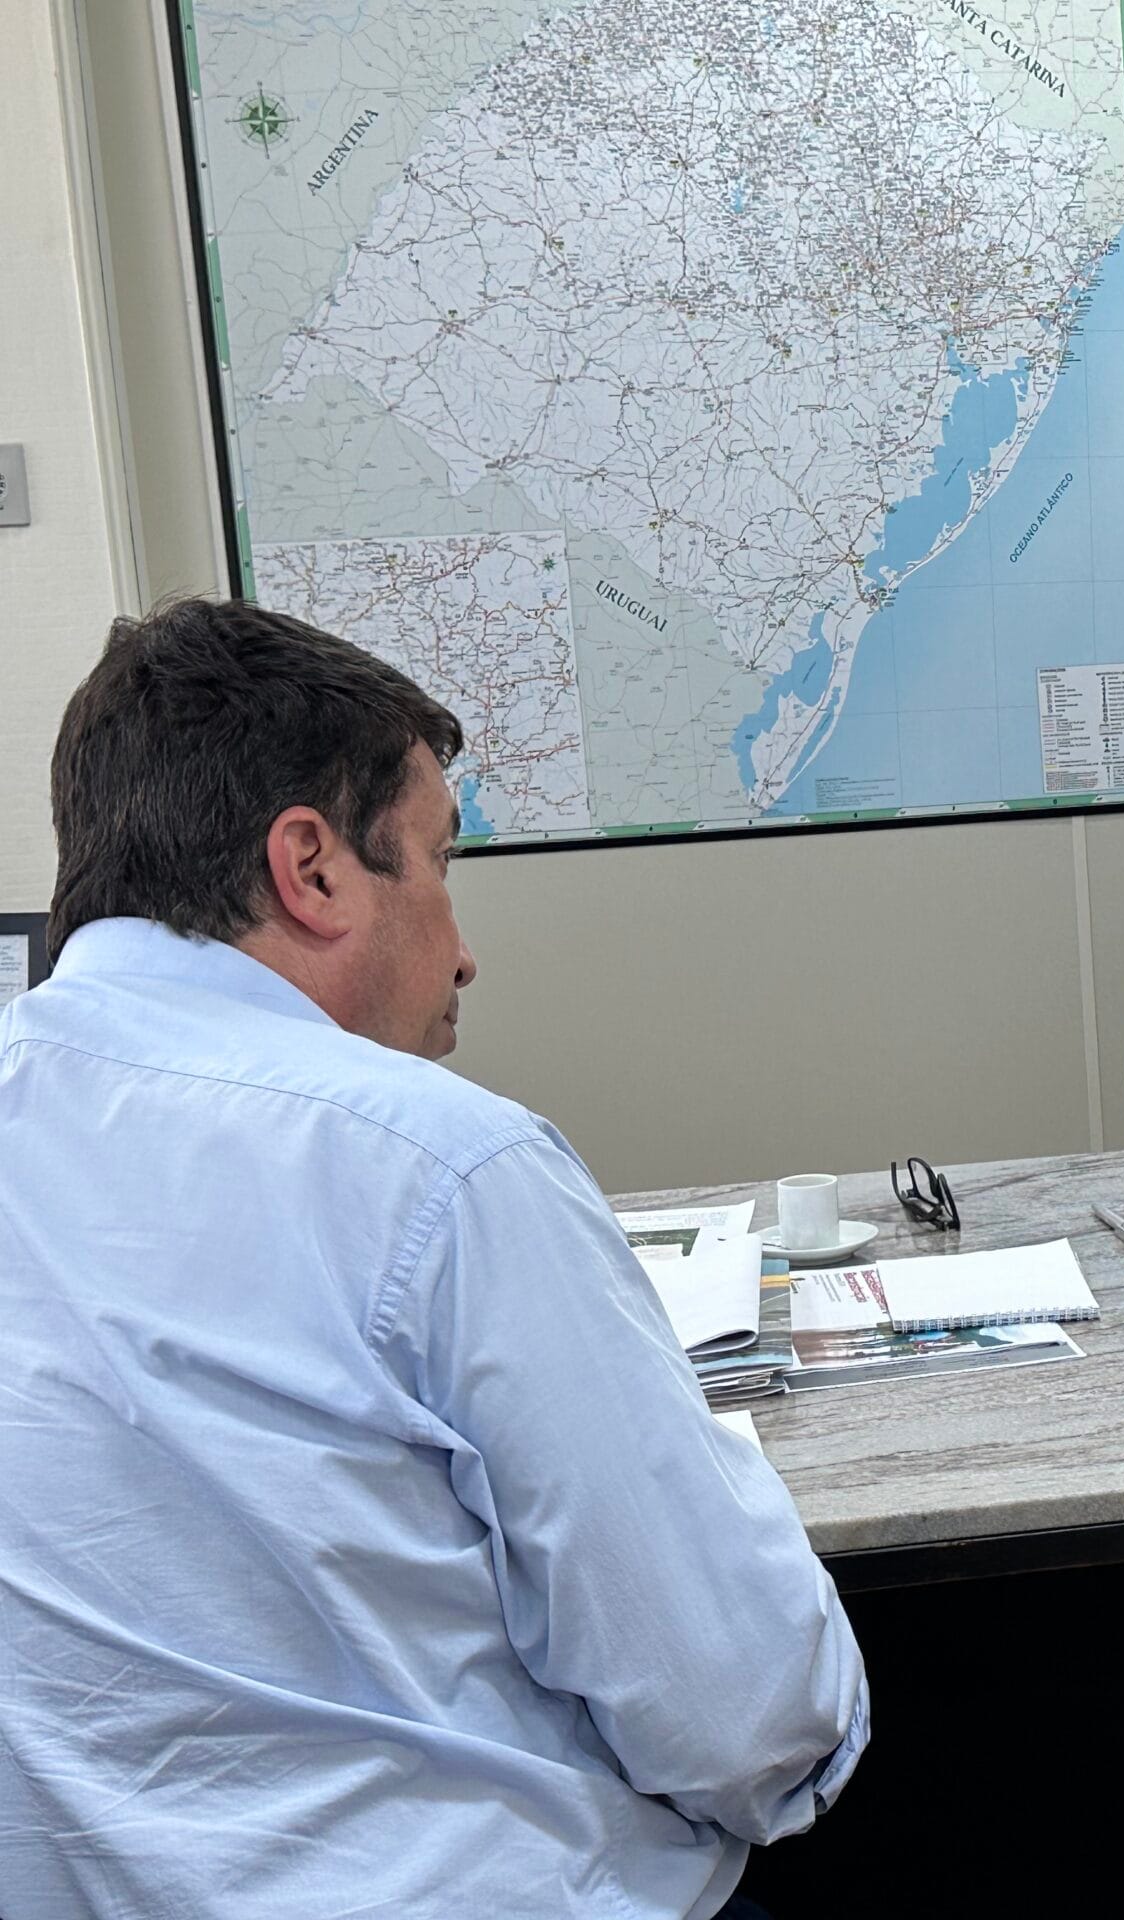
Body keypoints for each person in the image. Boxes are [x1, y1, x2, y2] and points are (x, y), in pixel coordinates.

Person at [0, 600, 866, 1919]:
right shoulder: (438, 1163)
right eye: (440, 862)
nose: (463, 953)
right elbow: (745, 1721)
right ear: (313, 868)